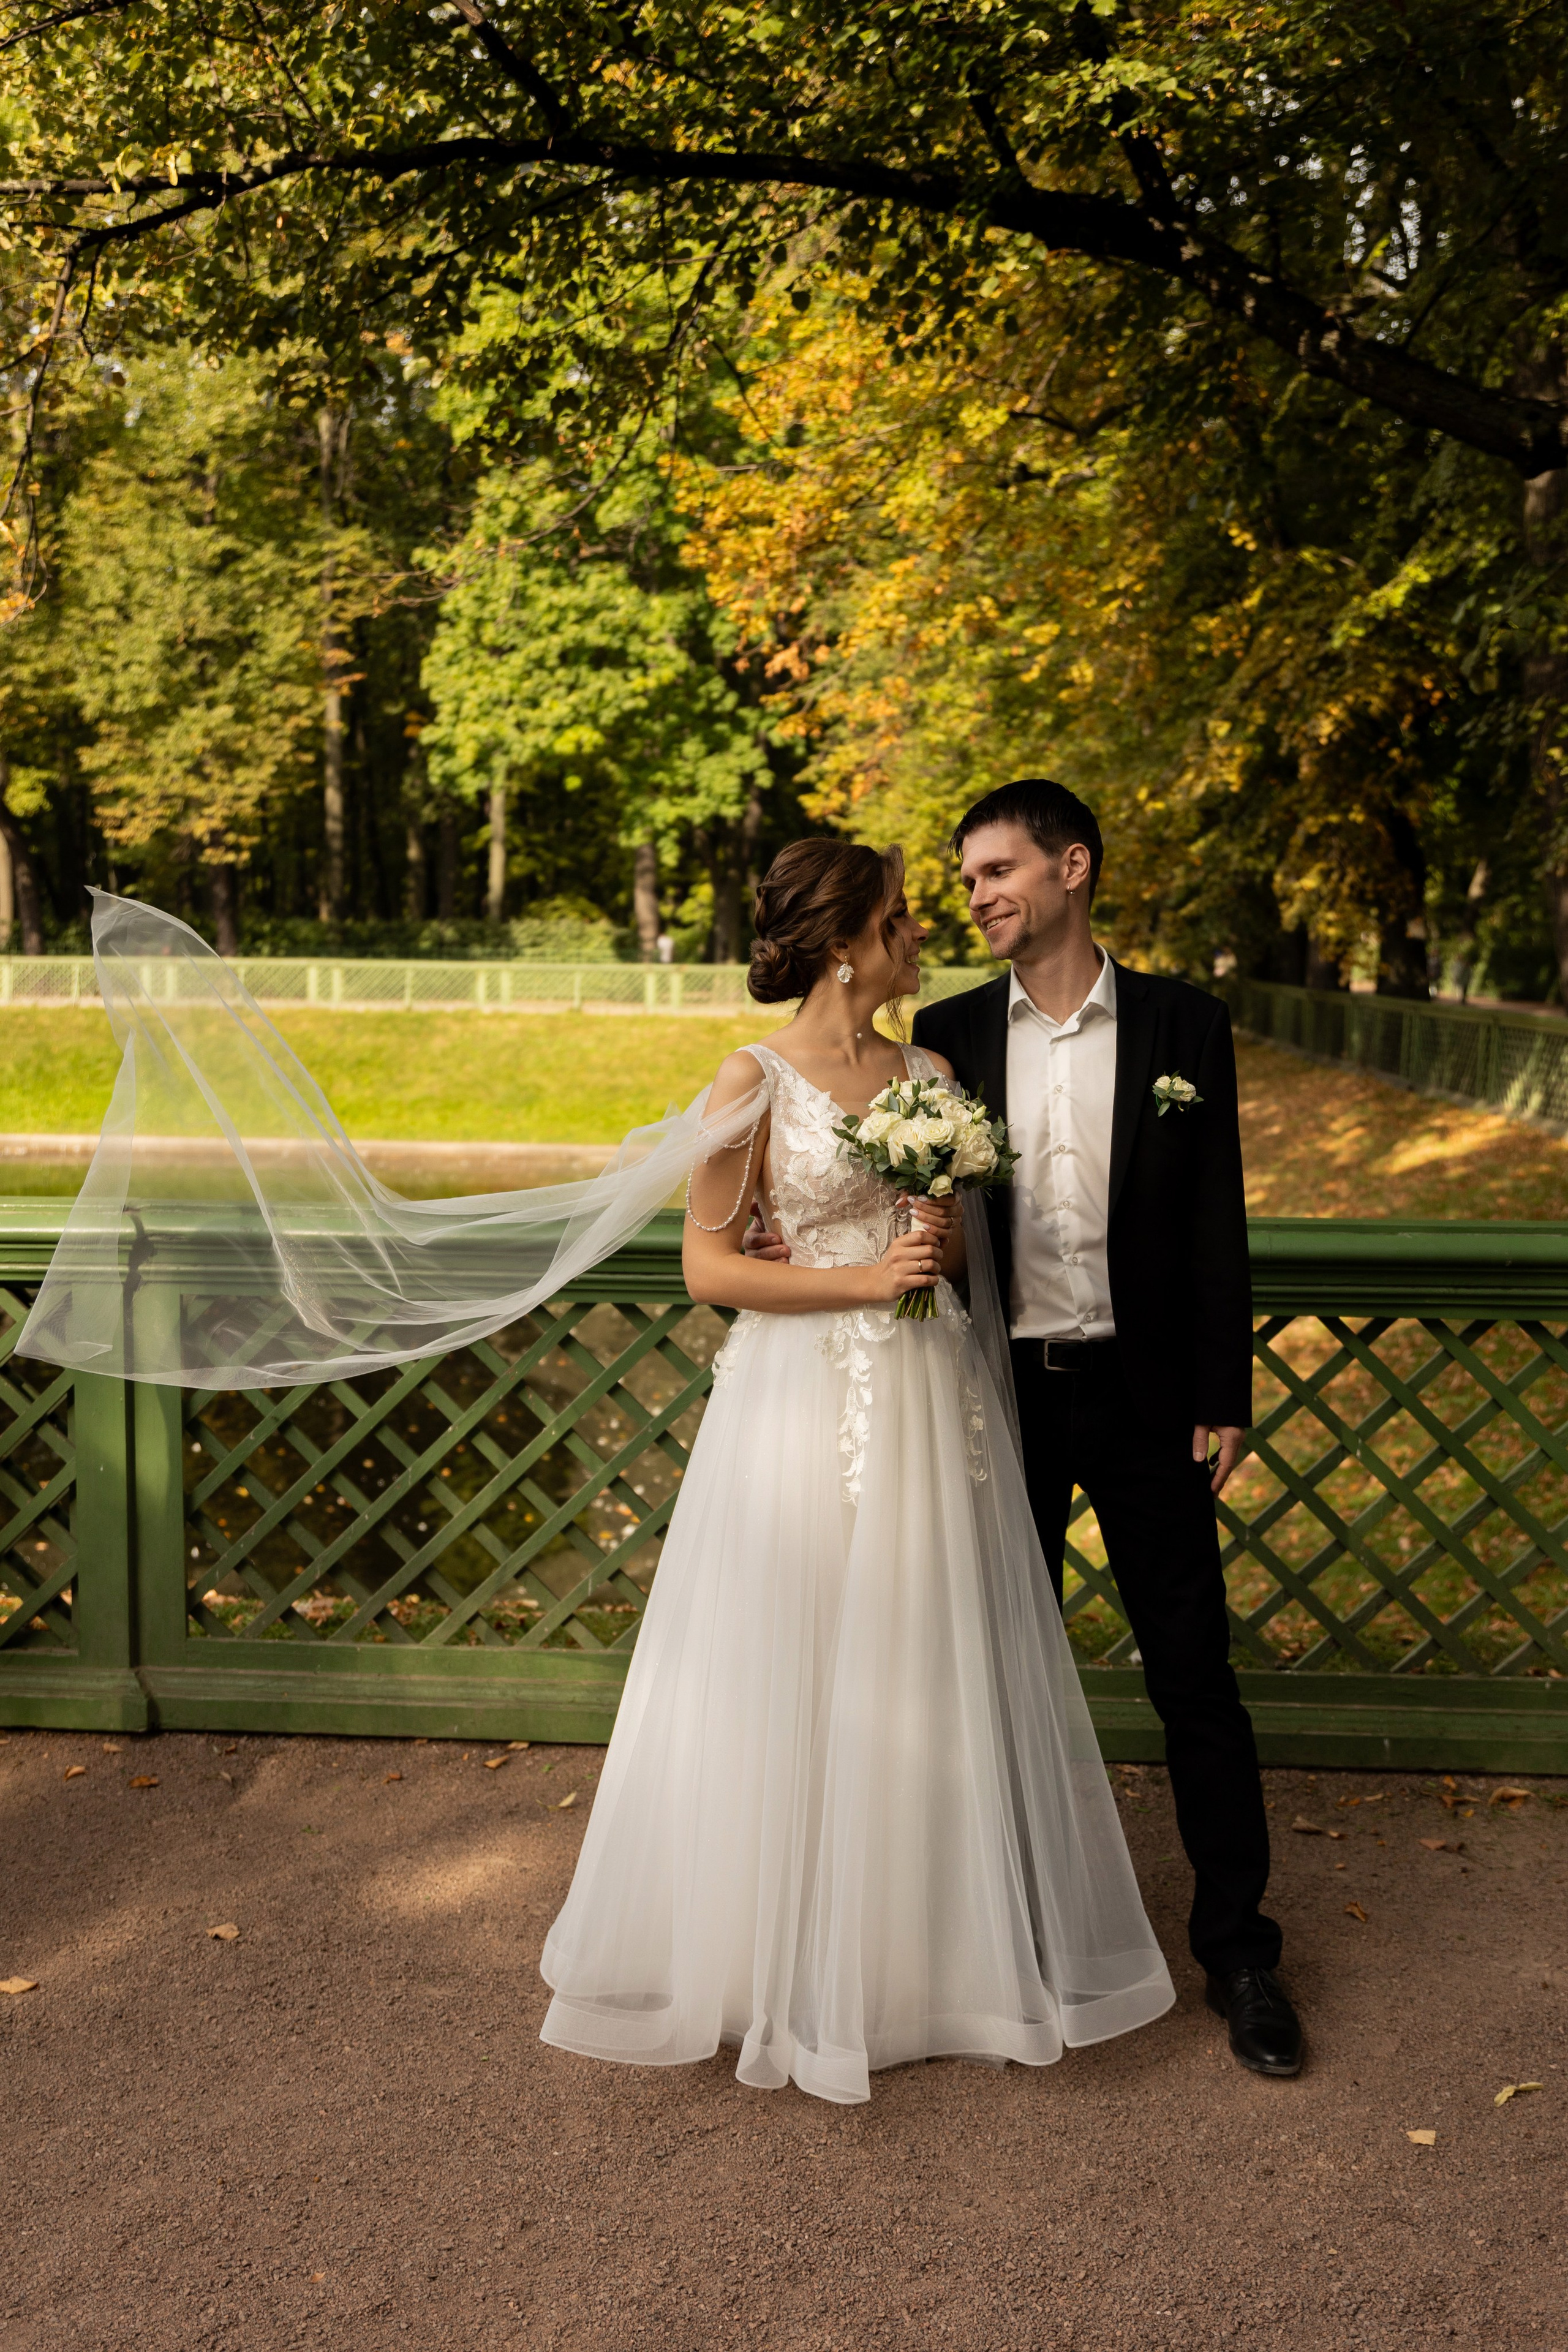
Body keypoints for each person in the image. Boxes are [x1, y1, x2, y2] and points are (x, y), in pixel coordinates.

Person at [538, 837, 1175, 2102]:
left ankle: (923, 1955)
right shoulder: (750, 1080)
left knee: (923, 1659)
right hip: (798, 1406)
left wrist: (932, 1237)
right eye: (896, 919)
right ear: (843, 944)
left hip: (934, 1405)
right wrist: (858, 1280)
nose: (917, 935)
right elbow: (708, 1271)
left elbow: (941, 1245)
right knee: (799, 1659)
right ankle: (771, 1960)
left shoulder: (928, 1070)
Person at [912, 780, 1300, 2078]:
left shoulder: (1186, 1022)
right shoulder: (944, 1034)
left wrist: (1222, 1391)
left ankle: (1240, 1956)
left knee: (1193, 1676)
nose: (974, 895)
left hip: (1144, 1403)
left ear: (1070, 868)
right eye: (967, 877)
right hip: (995, 1398)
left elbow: (1213, 1223)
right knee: (986, 1676)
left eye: (994, 870)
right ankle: (1000, 1951)